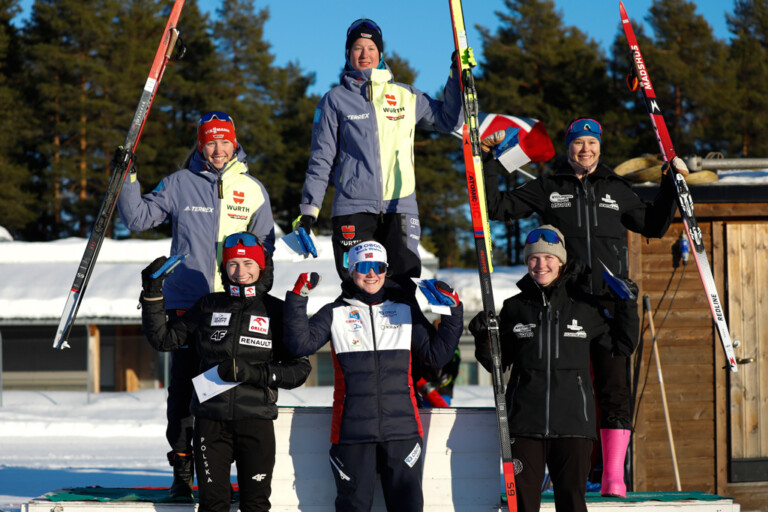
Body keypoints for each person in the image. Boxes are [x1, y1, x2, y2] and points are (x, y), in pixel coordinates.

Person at [481, 118, 688, 497]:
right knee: (565, 385)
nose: (585, 149)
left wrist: (670, 184)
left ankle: (612, 477)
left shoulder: (616, 189)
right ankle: (560, 468)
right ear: (568, 147)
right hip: (568, 303)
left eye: (592, 143)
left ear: (600, 147)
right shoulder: (550, 188)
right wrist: (491, 163)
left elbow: (655, 225)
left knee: (613, 386)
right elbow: (496, 207)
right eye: (578, 143)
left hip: (609, 303)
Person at [117, 111, 276, 497]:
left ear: (234, 144)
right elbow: (137, 218)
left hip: (233, 307)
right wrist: (127, 178)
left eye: (224, 142)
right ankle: (182, 469)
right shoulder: (179, 183)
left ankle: (221, 471)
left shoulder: (253, 190)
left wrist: (257, 296)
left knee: (225, 389)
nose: (218, 150)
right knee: (185, 391)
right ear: (201, 145)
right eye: (211, 142)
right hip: (187, 304)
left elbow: (265, 253)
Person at [283, 241, 464, 512]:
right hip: (351, 433)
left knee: (407, 507)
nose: (371, 274)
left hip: (402, 431)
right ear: (351, 270)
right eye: (364, 266)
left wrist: (453, 311)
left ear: (385, 270)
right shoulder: (334, 312)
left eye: (378, 267)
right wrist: (297, 299)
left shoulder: (405, 309)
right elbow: (300, 345)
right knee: (353, 507)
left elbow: (437, 355)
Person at [469, 225, 638, 512]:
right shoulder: (514, 307)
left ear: (561, 261)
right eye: (534, 258)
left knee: (572, 502)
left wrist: (627, 307)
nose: (541, 264)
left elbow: (622, 345)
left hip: (574, 424)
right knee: (522, 504)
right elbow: (496, 363)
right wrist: (483, 337)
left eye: (548, 257)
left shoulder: (585, 307)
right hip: (524, 424)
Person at [140, 232, 311, 512]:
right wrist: (152, 294)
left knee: (255, 505)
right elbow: (164, 340)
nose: (240, 272)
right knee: (213, 505)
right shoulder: (209, 305)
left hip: (255, 421)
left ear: (262, 267)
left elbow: (300, 370)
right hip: (210, 422)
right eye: (233, 264)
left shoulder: (276, 310)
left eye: (248, 264)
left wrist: (253, 373)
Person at [292, 18, 463, 291]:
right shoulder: (334, 100)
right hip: (352, 208)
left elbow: (449, 120)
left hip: (400, 206)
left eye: (371, 48)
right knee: (357, 287)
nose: (364, 54)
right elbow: (321, 159)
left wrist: (457, 76)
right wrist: (309, 211)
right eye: (357, 48)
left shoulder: (406, 96)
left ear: (381, 53)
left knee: (405, 287)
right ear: (348, 53)